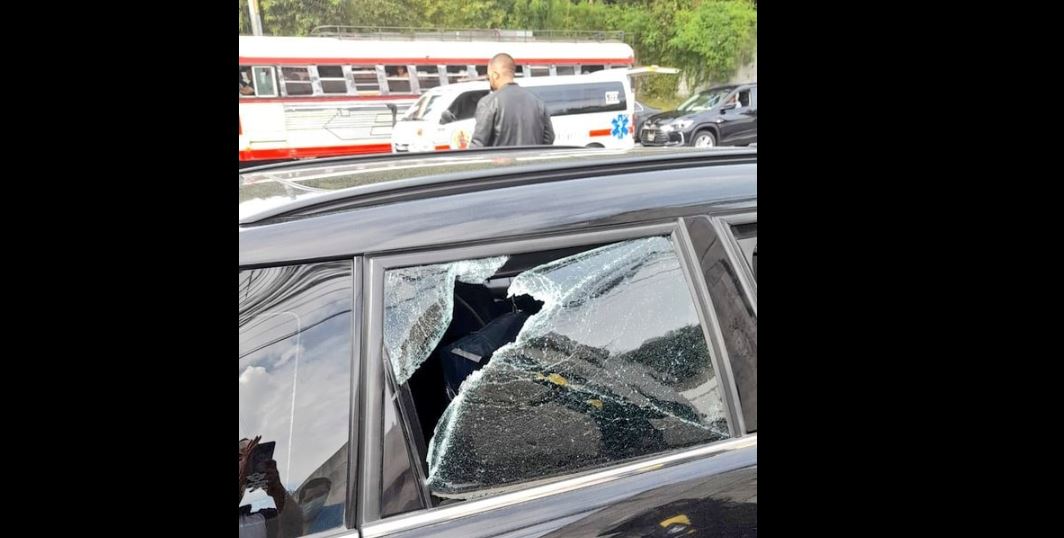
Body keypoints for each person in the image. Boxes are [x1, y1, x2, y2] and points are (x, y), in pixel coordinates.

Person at [469, 53, 554, 148]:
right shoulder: (537, 102)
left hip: (500, 162)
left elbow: (478, 144)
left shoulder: (488, 102)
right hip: (532, 161)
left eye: (489, 76)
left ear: (495, 75)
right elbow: (549, 138)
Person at [240, 437, 303, 538]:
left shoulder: (260, 520)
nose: (248, 462)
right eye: (240, 457)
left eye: (255, 456)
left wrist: (277, 490)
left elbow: (295, 528)